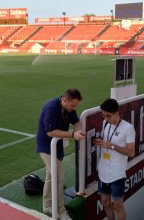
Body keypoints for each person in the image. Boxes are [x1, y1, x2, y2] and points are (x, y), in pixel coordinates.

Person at [36, 88, 85, 219]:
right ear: (64, 100)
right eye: (72, 105)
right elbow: (50, 132)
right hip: (46, 146)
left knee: (50, 176)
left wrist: (79, 130)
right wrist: (73, 134)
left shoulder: (69, 107)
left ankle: (47, 205)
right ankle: (61, 211)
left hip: (57, 146)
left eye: (75, 106)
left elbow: (75, 121)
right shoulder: (50, 107)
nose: (74, 108)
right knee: (58, 177)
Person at [94, 98, 135, 220]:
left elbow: (131, 152)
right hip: (103, 171)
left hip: (117, 174)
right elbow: (106, 141)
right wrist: (101, 143)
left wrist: (111, 146)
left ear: (116, 113)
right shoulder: (105, 123)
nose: (105, 118)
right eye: (103, 115)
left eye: (108, 115)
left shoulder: (128, 128)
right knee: (106, 203)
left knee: (117, 206)